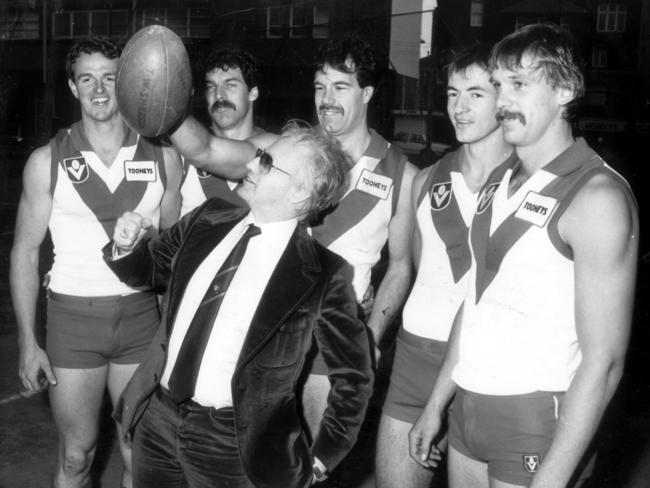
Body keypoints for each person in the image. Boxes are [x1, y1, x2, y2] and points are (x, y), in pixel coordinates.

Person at [409, 24, 638, 488]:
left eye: (519, 84)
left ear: (566, 90)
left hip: (535, 418)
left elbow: (605, 361)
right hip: (469, 410)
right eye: (498, 85)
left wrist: (553, 477)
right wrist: (436, 403)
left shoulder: (596, 196)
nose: (503, 100)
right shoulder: (498, 181)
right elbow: (475, 301)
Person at [104, 123, 374, 488]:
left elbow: (354, 379)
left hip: (234, 444)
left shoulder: (323, 275)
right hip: (158, 419)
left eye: (266, 162)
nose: (250, 166)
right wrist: (126, 245)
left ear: (301, 193)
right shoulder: (206, 219)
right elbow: (148, 270)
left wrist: (323, 459)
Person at [10, 38, 182, 488]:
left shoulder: (165, 158)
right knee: (75, 456)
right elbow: (25, 252)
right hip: (73, 323)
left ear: (126, 84)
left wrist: (148, 238)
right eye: (88, 79)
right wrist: (29, 341)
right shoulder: (45, 162)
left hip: (141, 321)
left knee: (138, 454)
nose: (100, 89)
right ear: (73, 86)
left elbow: (173, 247)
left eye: (110, 77)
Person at [376, 44, 513, 488]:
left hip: (487, 366)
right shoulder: (424, 180)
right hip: (416, 357)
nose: (459, 107)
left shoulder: (527, 184)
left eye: (475, 94)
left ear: (504, 98)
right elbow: (413, 270)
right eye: (453, 93)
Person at [303, 34, 418, 438]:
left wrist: (371, 336)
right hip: (273, 328)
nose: (326, 99)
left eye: (340, 86)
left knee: (318, 462)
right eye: (320, 86)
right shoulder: (292, 151)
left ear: (366, 92)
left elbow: (401, 267)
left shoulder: (401, 173)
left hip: (335, 335)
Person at [180, 47, 269, 216]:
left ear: (253, 93)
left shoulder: (276, 149)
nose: (219, 95)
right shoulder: (180, 153)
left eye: (230, 85)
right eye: (211, 87)